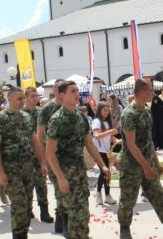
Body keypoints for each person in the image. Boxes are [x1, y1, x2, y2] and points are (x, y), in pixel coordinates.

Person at [46, 81, 111, 239]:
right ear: (62, 95)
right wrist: (60, 178)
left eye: (77, 90)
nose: (77, 94)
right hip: (66, 174)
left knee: (82, 212)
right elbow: (49, 152)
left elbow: (89, 144)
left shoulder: (80, 116)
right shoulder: (57, 120)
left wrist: (102, 166)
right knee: (76, 215)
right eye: (72, 91)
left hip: (80, 173)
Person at [118, 79, 163, 239]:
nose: (154, 93)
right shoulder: (129, 114)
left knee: (158, 195)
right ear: (142, 92)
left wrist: (156, 163)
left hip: (147, 163)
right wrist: (145, 167)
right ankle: (125, 228)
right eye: (151, 90)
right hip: (131, 165)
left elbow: (149, 140)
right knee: (128, 199)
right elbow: (131, 144)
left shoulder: (146, 111)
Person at [0, 86, 48, 238]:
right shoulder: (0, 118)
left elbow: (35, 141)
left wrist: (42, 163)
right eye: (19, 98)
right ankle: (18, 234)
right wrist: (1, 172)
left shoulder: (26, 117)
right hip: (11, 168)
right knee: (18, 203)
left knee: (28, 202)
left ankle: (23, 233)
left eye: (23, 98)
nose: (23, 101)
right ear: (9, 100)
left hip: (27, 166)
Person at [22, 86, 54, 223]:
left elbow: (47, 132)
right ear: (26, 98)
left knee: (41, 183)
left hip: (40, 153)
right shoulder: (20, 113)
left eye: (37, 96)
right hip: (25, 155)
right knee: (27, 185)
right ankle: (28, 210)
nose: (36, 98)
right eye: (32, 96)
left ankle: (44, 211)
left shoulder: (42, 112)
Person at [37, 78, 65, 233]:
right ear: (55, 92)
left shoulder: (71, 107)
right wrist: (44, 159)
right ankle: (61, 220)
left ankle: (63, 220)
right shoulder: (47, 110)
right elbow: (40, 135)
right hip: (53, 156)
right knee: (60, 189)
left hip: (69, 157)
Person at [92, 102, 119, 205]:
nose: (107, 113)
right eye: (105, 110)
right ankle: (99, 193)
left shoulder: (107, 122)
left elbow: (109, 137)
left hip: (107, 151)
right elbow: (97, 135)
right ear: (99, 111)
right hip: (99, 151)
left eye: (108, 111)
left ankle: (107, 195)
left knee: (107, 173)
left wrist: (115, 139)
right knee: (105, 172)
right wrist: (110, 132)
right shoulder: (97, 121)